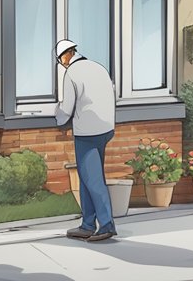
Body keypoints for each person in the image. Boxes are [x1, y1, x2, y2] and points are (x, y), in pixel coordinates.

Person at [55, 39, 118, 243]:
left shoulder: (72, 73)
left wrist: (57, 114)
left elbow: (66, 110)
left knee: (92, 178)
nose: (62, 64)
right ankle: (88, 224)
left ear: (66, 56)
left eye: (61, 60)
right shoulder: (98, 68)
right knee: (86, 175)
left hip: (87, 133)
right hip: (106, 128)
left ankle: (106, 224)